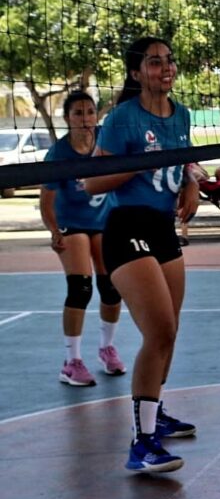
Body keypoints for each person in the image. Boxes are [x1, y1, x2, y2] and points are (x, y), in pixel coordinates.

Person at [85, 37, 199, 474]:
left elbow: (187, 161)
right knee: (159, 331)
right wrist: (139, 160)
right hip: (126, 229)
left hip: (162, 229)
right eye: (154, 63)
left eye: (169, 60)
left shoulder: (182, 114)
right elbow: (92, 184)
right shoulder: (122, 120)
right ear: (137, 73)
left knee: (170, 333)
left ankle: (157, 410)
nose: (165, 68)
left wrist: (190, 184)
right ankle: (142, 443)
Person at [39, 90, 124, 386]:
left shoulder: (105, 139)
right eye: (78, 113)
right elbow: (46, 201)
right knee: (81, 288)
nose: (85, 118)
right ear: (67, 119)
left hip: (102, 222)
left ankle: (106, 349)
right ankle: (71, 362)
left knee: (111, 287)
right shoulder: (58, 154)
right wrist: (53, 230)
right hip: (71, 224)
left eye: (90, 111)